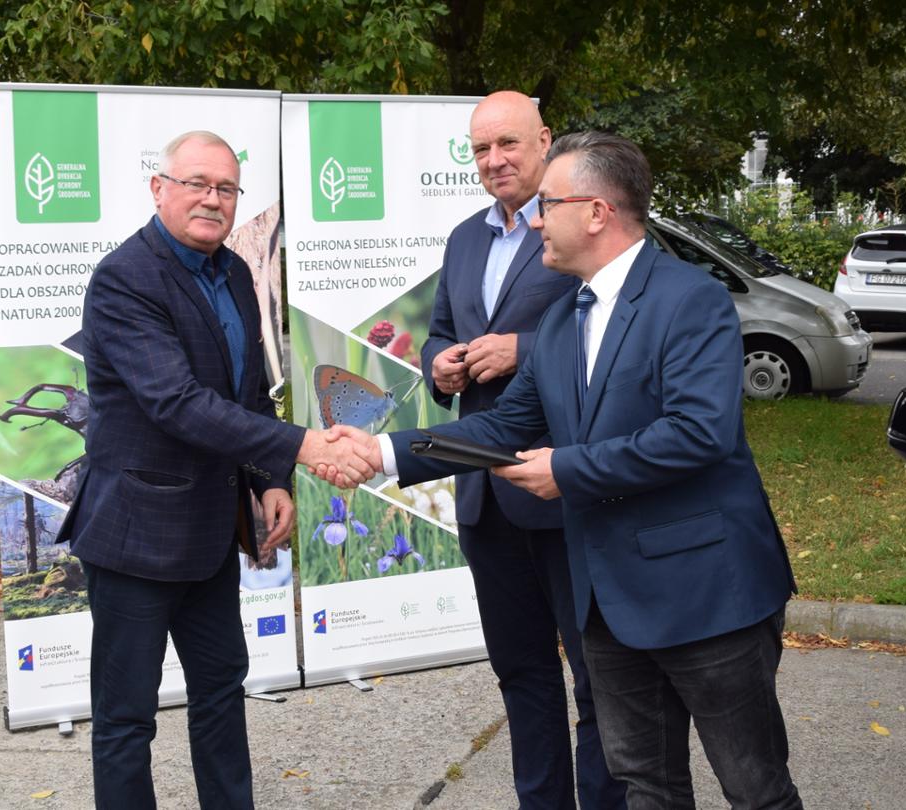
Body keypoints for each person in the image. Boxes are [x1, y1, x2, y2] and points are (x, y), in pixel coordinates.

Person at [321, 132, 804, 809]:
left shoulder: (689, 299)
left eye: (549, 204)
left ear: (599, 211)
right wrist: (387, 453)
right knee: (647, 786)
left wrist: (569, 471)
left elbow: (699, 433)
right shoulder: (563, 318)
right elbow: (501, 426)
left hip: (707, 594)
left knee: (755, 788)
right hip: (606, 603)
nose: (537, 219)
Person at [59, 130, 373, 810]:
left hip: (207, 536)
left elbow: (248, 392)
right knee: (125, 718)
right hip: (136, 539)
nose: (211, 199)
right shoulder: (124, 279)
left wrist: (270, 479)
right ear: (158, 189)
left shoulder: (232, 271)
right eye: (196, 183)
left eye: (226, 188)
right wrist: (304, 447)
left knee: (222, 694)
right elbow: (177, 403)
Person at [420, 90, 621, 810]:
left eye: (508, 144)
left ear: (544, 141)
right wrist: (438, 363)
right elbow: (441, 329)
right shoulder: (464, 239)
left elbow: (619, 330)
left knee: (600, 680)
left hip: (565, 488)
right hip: (486, 495)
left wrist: (523, 350)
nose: (494, 160)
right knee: (522, 676)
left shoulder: (585, 224)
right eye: (480, 149)